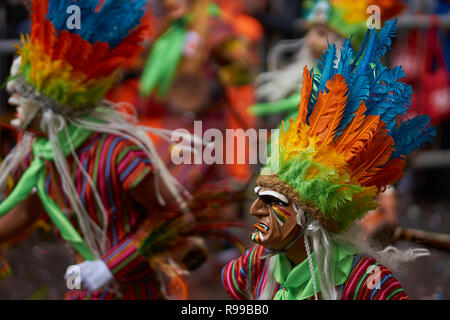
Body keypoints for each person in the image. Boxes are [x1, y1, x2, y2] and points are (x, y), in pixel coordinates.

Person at [0, 0, 209, 300]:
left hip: (136, 291)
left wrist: (110, 266)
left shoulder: (119, 152)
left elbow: (171, 218)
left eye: (24, 94)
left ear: (54, 105)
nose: (12, 102)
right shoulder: (42, 152)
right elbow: (25, 211)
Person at [222, 19, 435, 300]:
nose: (254, 210)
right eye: (262, 195)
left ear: (312, 216)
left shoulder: (369, 286)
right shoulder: (251, 268)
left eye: (274, 201)